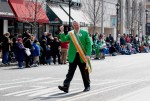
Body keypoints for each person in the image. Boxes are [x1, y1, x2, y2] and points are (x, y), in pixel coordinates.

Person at [58, 20, 92, 93]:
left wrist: (88, 54)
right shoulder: (71, 33)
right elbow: (64, 40)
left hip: (82, 55)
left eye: (77, 25)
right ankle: (66, 87)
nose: (76, 26)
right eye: (74, 25)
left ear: (79, 25)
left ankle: (87, 86)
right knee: (70, 72)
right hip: (73, 55)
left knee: (84, 72)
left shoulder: (85, 33)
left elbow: (89, 44)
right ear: (73, 26)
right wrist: (62, 31)